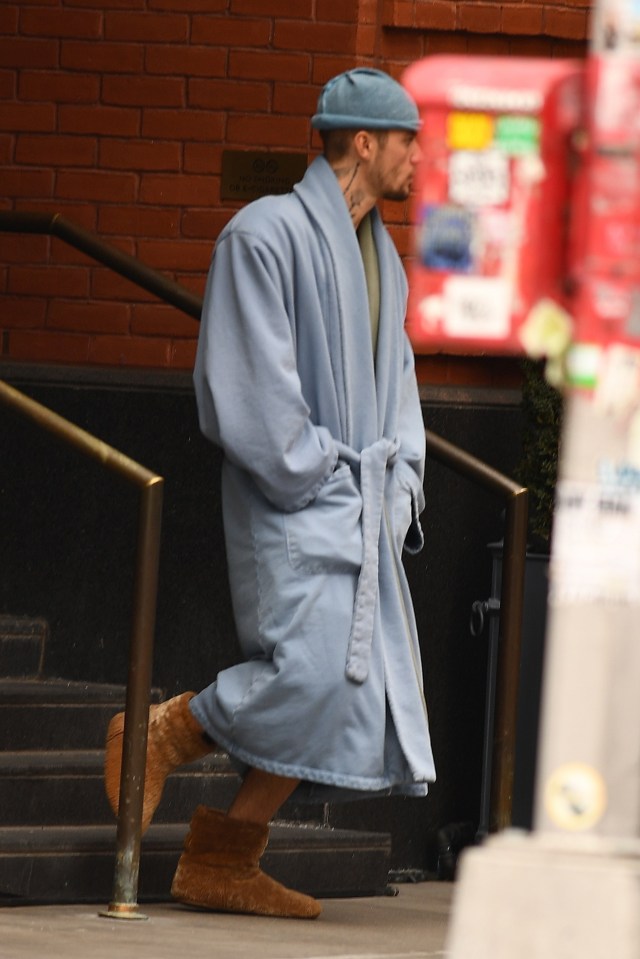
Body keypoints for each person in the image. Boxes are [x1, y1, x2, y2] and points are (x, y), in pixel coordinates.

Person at [104, 67, 435, 921]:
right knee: (314, 669)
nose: (418, 159)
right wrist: (324, 476)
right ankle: (166, 730)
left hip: (361, 506)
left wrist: (397, 489)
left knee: (350, 682)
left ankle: (221, 858)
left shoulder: (383, 262)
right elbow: (245, 390)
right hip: (289, 501)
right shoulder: (262, 235)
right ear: (364, 140)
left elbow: (399, 385)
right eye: (409, 140)